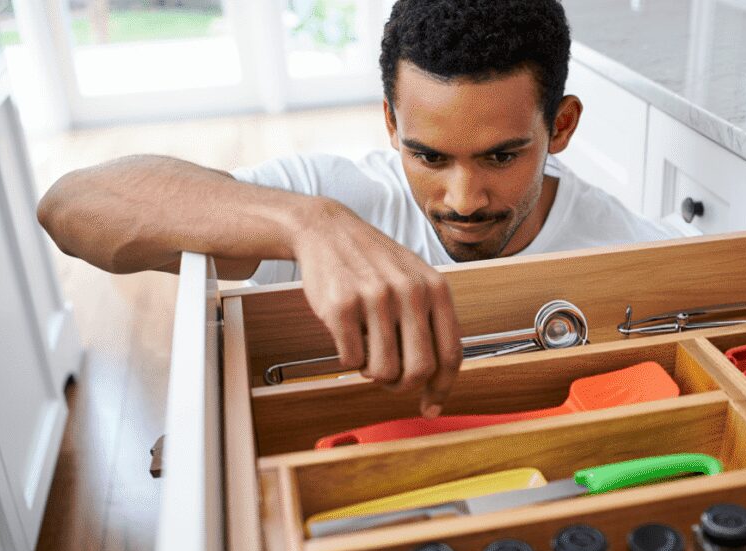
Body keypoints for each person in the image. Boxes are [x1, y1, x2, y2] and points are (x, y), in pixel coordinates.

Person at [38, 0, 678, 419]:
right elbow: (70, 207)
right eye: (428, 156)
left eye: (501, 157)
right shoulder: (331, 197)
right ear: (391, 125)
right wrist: (307, 223)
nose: (462, 200)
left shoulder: (639, 253)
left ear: (560, 127)